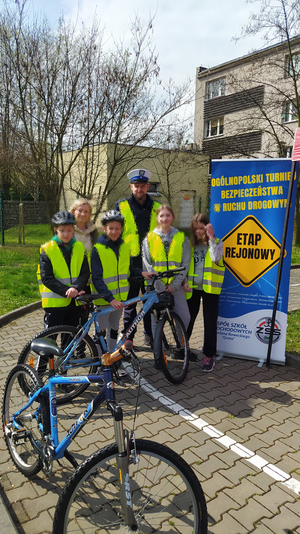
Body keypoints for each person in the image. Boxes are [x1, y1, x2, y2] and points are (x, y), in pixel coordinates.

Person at [90, 210, 153, 352]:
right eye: (110, 228)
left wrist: (141, 272)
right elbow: (97, 278)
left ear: (122, 229)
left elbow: (128, 269)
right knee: (100, 333)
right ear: (105, 229)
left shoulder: (125, 247)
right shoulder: (97, 249)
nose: (114, 231)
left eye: (117, 228)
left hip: (119, 300)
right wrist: (109, 298)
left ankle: (112, 358)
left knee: (114, 330)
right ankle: (100, 362)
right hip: (104, 300)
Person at [142, 204, 193, 367]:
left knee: (185, 317)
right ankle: (160, 354)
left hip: (175, 287)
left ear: (173, 217)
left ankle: (179, 346)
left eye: (168, 215)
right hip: (156, 287)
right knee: (156, 322)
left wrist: (175, 284)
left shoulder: (182, 238)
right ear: (157, 218)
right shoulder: (149, 238)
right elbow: (147, 264)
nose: (164, 218)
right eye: (161, 216)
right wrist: (159, 285)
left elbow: (186, 263)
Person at [115, 168, 160, 346]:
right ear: (131, 186)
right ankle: (129, 337)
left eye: (142, 186)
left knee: (149, 303)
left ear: (147, 186)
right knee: (131, 304)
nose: (139, 189)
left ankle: (149, 335)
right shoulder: (121, 206)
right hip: (131, 264)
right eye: (136, 186)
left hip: (151, 262)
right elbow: (114, 233)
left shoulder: (157, 208)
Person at [184, 213, 225, 373]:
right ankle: (183, 348)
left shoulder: (217, 242)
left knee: (209, 323)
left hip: (210, 289)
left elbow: (215, 258)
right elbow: (185, 264)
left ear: (207, 227)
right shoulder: (190, 245)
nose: (199, 232)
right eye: (196, 229)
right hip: (192, 288)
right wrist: (185, 281)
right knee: (188, 319)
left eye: (202, 228)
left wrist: (211, 237)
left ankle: (209, 356)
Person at [37, 211, 90, 329]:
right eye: (62, 230)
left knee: (70, 339)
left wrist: (75, 288)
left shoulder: (79, 248)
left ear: (73, 230)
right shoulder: (47, 249)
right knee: (50, 339)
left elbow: (85, 272)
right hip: (55, 304)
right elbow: (47, 277)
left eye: (69, 230)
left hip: (74, 304)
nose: (66, 234)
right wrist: (67, 290)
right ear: (56, 230)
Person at [69, 198, 98, 324]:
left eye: (86, 211)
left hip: (87, 279)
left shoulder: (93, 231)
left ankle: (81, 342)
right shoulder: (68, 229)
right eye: (80, 210)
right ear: (74, 211)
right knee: (70, 316)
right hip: (71, 278)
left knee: (83, 316)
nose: (83, 214)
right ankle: (69, 342)